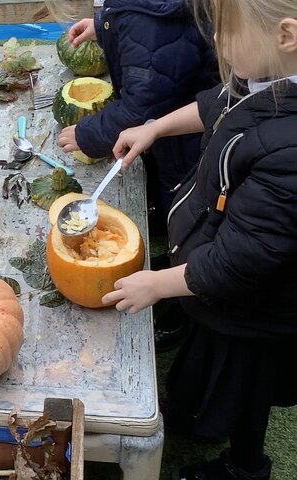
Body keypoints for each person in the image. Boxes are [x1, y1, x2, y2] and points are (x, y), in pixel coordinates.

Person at [103, 0, 297, 477]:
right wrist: (154, 128)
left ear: (286, 35)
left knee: (244, 390)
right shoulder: (266, 79)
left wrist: (157, 284)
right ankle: (193, 407)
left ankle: (245, 465)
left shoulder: (291, 149)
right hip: (213, 286)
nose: (217, 42)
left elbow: (242, 259)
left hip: (256, 310)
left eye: (226, 32)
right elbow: (215, 103)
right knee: (204, 348)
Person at [55, 0, 220, 351]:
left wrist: (88, 135)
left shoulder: (152, 21)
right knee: (171, 204)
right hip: (170, 128)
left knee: (188, 219)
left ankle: (179, 311)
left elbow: (143, 104)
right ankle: (166, 239)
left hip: (189, 141)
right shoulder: (146, 10)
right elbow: (143, 30)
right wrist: (104, 26)